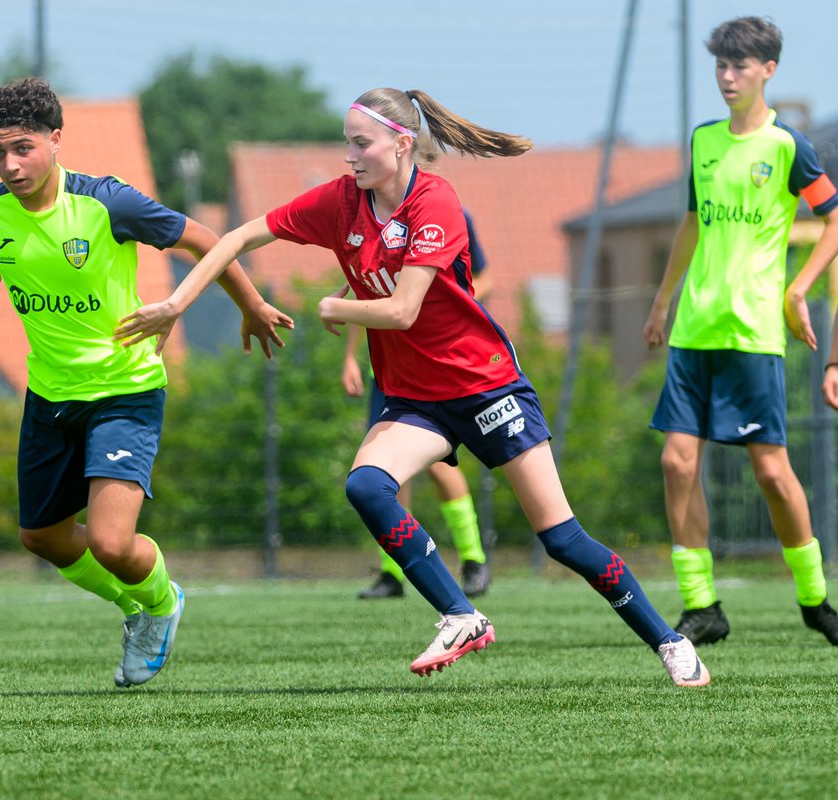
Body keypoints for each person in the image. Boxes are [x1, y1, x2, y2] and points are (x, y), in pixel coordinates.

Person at [116, 86, 710, 686]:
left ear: (402, 144)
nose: (349, 156)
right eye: (346, 142)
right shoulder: (342, 203)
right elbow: (239, 237)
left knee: (563, 540)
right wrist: (175, 303)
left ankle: (669, 641)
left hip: (487, 388)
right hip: (417, 399)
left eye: (360, 143)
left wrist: (334, 308)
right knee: (367, 488)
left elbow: (402, 310)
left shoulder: (436, 201)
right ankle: (461, 614)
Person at [0, 77, 293, 688]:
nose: (10, 164)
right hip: (50, 396)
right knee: (41, 537)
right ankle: (134, 604)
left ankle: (159, 604)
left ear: (55, 139)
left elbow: (206, 241)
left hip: (124, 392)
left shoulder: (108, 203)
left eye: (22, 148)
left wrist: (251, 304)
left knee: (109, 542)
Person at [643, 17, 838, 647]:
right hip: (693, 330)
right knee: (677, 462)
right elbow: (693, 223)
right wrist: (663, 298)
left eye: (740, 66)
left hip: (753, 336)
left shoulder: (788, 147)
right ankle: (702, 606)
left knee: (773, 475)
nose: (728, 77)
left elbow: (833, 220)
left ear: (768, 70)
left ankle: (814, 598)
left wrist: (797, 287)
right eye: (721, 66)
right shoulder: (703, 141)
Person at [345, 210, 492, 600]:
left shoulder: (446, 215)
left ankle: (473, 560)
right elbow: (367, 296)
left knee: (441, 467)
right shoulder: (367, 220)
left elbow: (484, 276)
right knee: (385, 472)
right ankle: (392, 572)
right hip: (389, 374)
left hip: (435, 369)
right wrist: (349, 357)